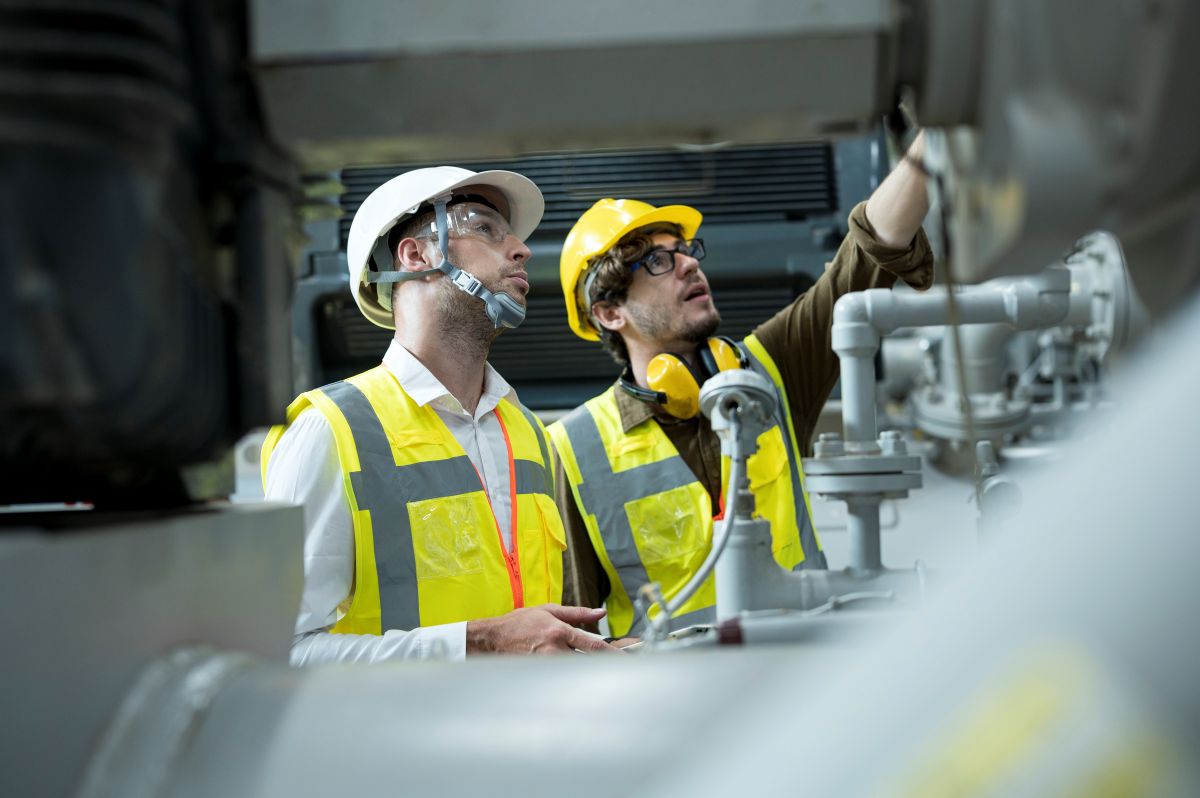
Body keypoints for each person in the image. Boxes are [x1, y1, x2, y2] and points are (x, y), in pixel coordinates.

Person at [549, 134, 935, 638]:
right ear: (609, 312)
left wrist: (936, 134)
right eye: (657, 261)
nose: (689, 263)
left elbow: (867, 252)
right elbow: (572, 632)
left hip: (800, 679)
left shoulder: (769, 372)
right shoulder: (572, 450)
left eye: (685, 251)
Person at [262, 166, 615, 662]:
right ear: (416, 254)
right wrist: (478, 643)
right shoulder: (330, 431)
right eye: (486, 228)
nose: (521, 249)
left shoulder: (529, 433)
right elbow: (281, 653)